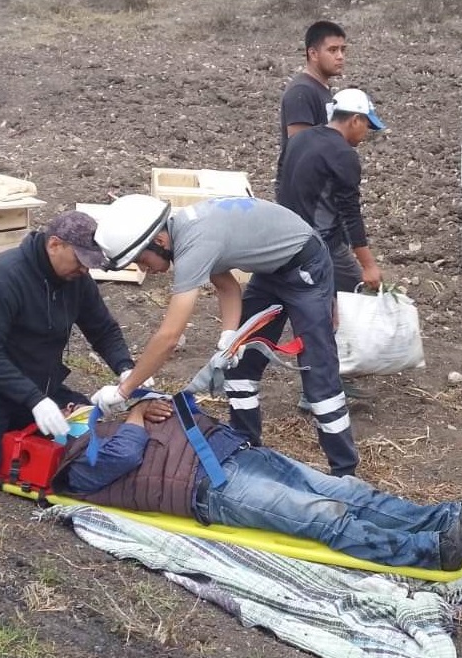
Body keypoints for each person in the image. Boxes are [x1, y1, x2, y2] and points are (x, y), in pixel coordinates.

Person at [54, 397, 462, 571]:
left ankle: (444, 519)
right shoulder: (72, 469)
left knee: (347, 491)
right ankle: (432, 552)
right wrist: (134, 417)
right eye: (70, 412)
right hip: (210, 488)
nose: (77, 410)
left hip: (231, 452)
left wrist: (144, 406)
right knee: (323, 516)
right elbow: (126, 455)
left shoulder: (98, 427)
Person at [90, 194, 360, 477]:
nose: (143, 269)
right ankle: (246, 452)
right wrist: (229, 335)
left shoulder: (195, 244)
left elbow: (169, 336)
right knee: (239, 368)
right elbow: (227, 287)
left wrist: (124, 390)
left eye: (140, 259)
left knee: (318, 377)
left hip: (306, 267)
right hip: (270, 273)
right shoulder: (187, 231)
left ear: (159, 241)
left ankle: (344, 473)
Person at [0, 212, 136, 487]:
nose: (84, 270)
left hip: (42, 387)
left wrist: (125, 369)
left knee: (90, 433)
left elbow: (103, 329)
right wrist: (35, 400)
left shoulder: (76, 280)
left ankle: (10, 425)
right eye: (80, 261)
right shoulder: (3, 277)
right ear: (54, 244)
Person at [277, 87, 385, 294]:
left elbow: (281, 179)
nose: (366, 133)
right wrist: (369, 266)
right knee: (361, 294)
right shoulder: (343, 154)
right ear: (355, 120)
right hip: (321, 244)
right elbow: (350, 213)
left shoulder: (300, 139)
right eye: (366, 125)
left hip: (284, 236)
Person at [275, 20, 347, 192]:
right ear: (313, 54)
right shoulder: (301, 91)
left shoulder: (320, 88)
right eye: (332, 50)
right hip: (303, 194)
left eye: (343, 49)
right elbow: (300, 149)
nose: (340, 56)